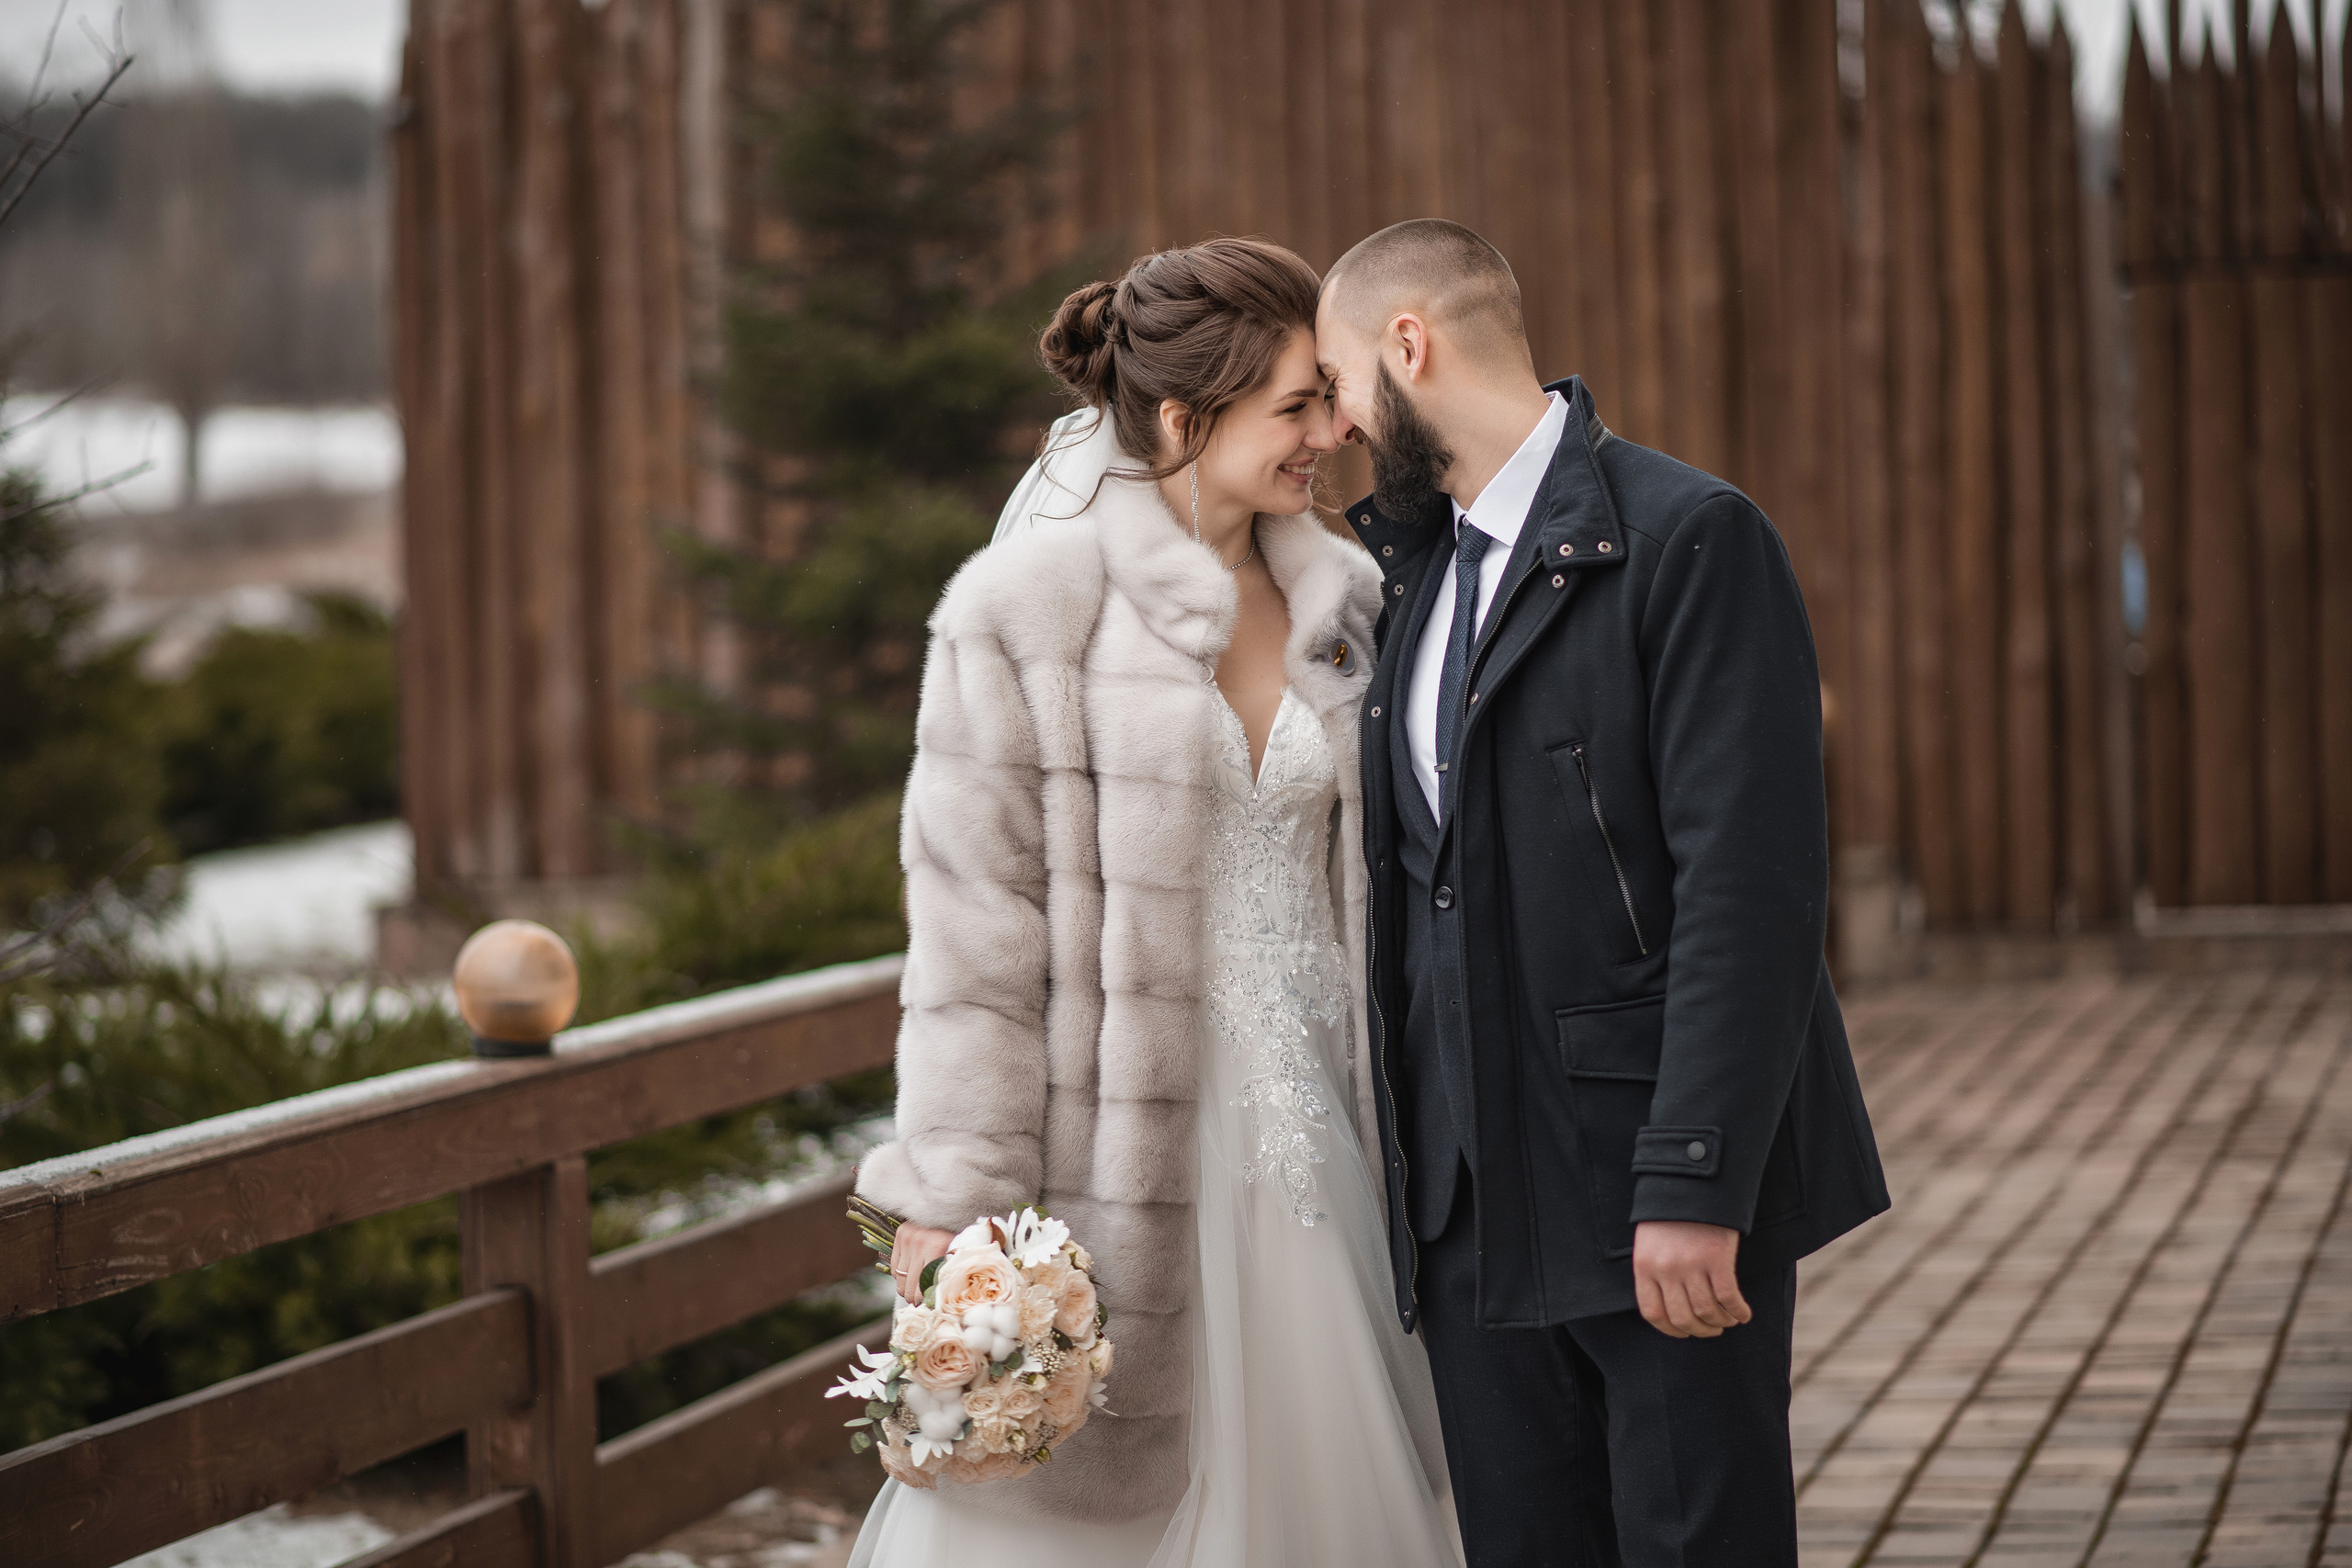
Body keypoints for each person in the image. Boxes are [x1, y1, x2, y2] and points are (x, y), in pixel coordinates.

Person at [847, 237, 1464, 1568]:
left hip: (1335, 1134)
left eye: (1330, 396)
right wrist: (953, 1199)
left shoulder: (1351, 603)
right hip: (1121, 1148)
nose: (1336, 430)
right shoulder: (1024, 616)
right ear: (1187, 419)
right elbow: (974, 944)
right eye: (1297, 405)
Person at [1314, 218, 1892, 1568]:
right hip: (1467, 1208)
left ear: (1412, 344)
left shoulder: (1691, 537)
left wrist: (1693, 1182)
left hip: (1649, 1189)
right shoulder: (1401, 576)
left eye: (1338, 381)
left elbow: (1749, 894)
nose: (1336, 425)